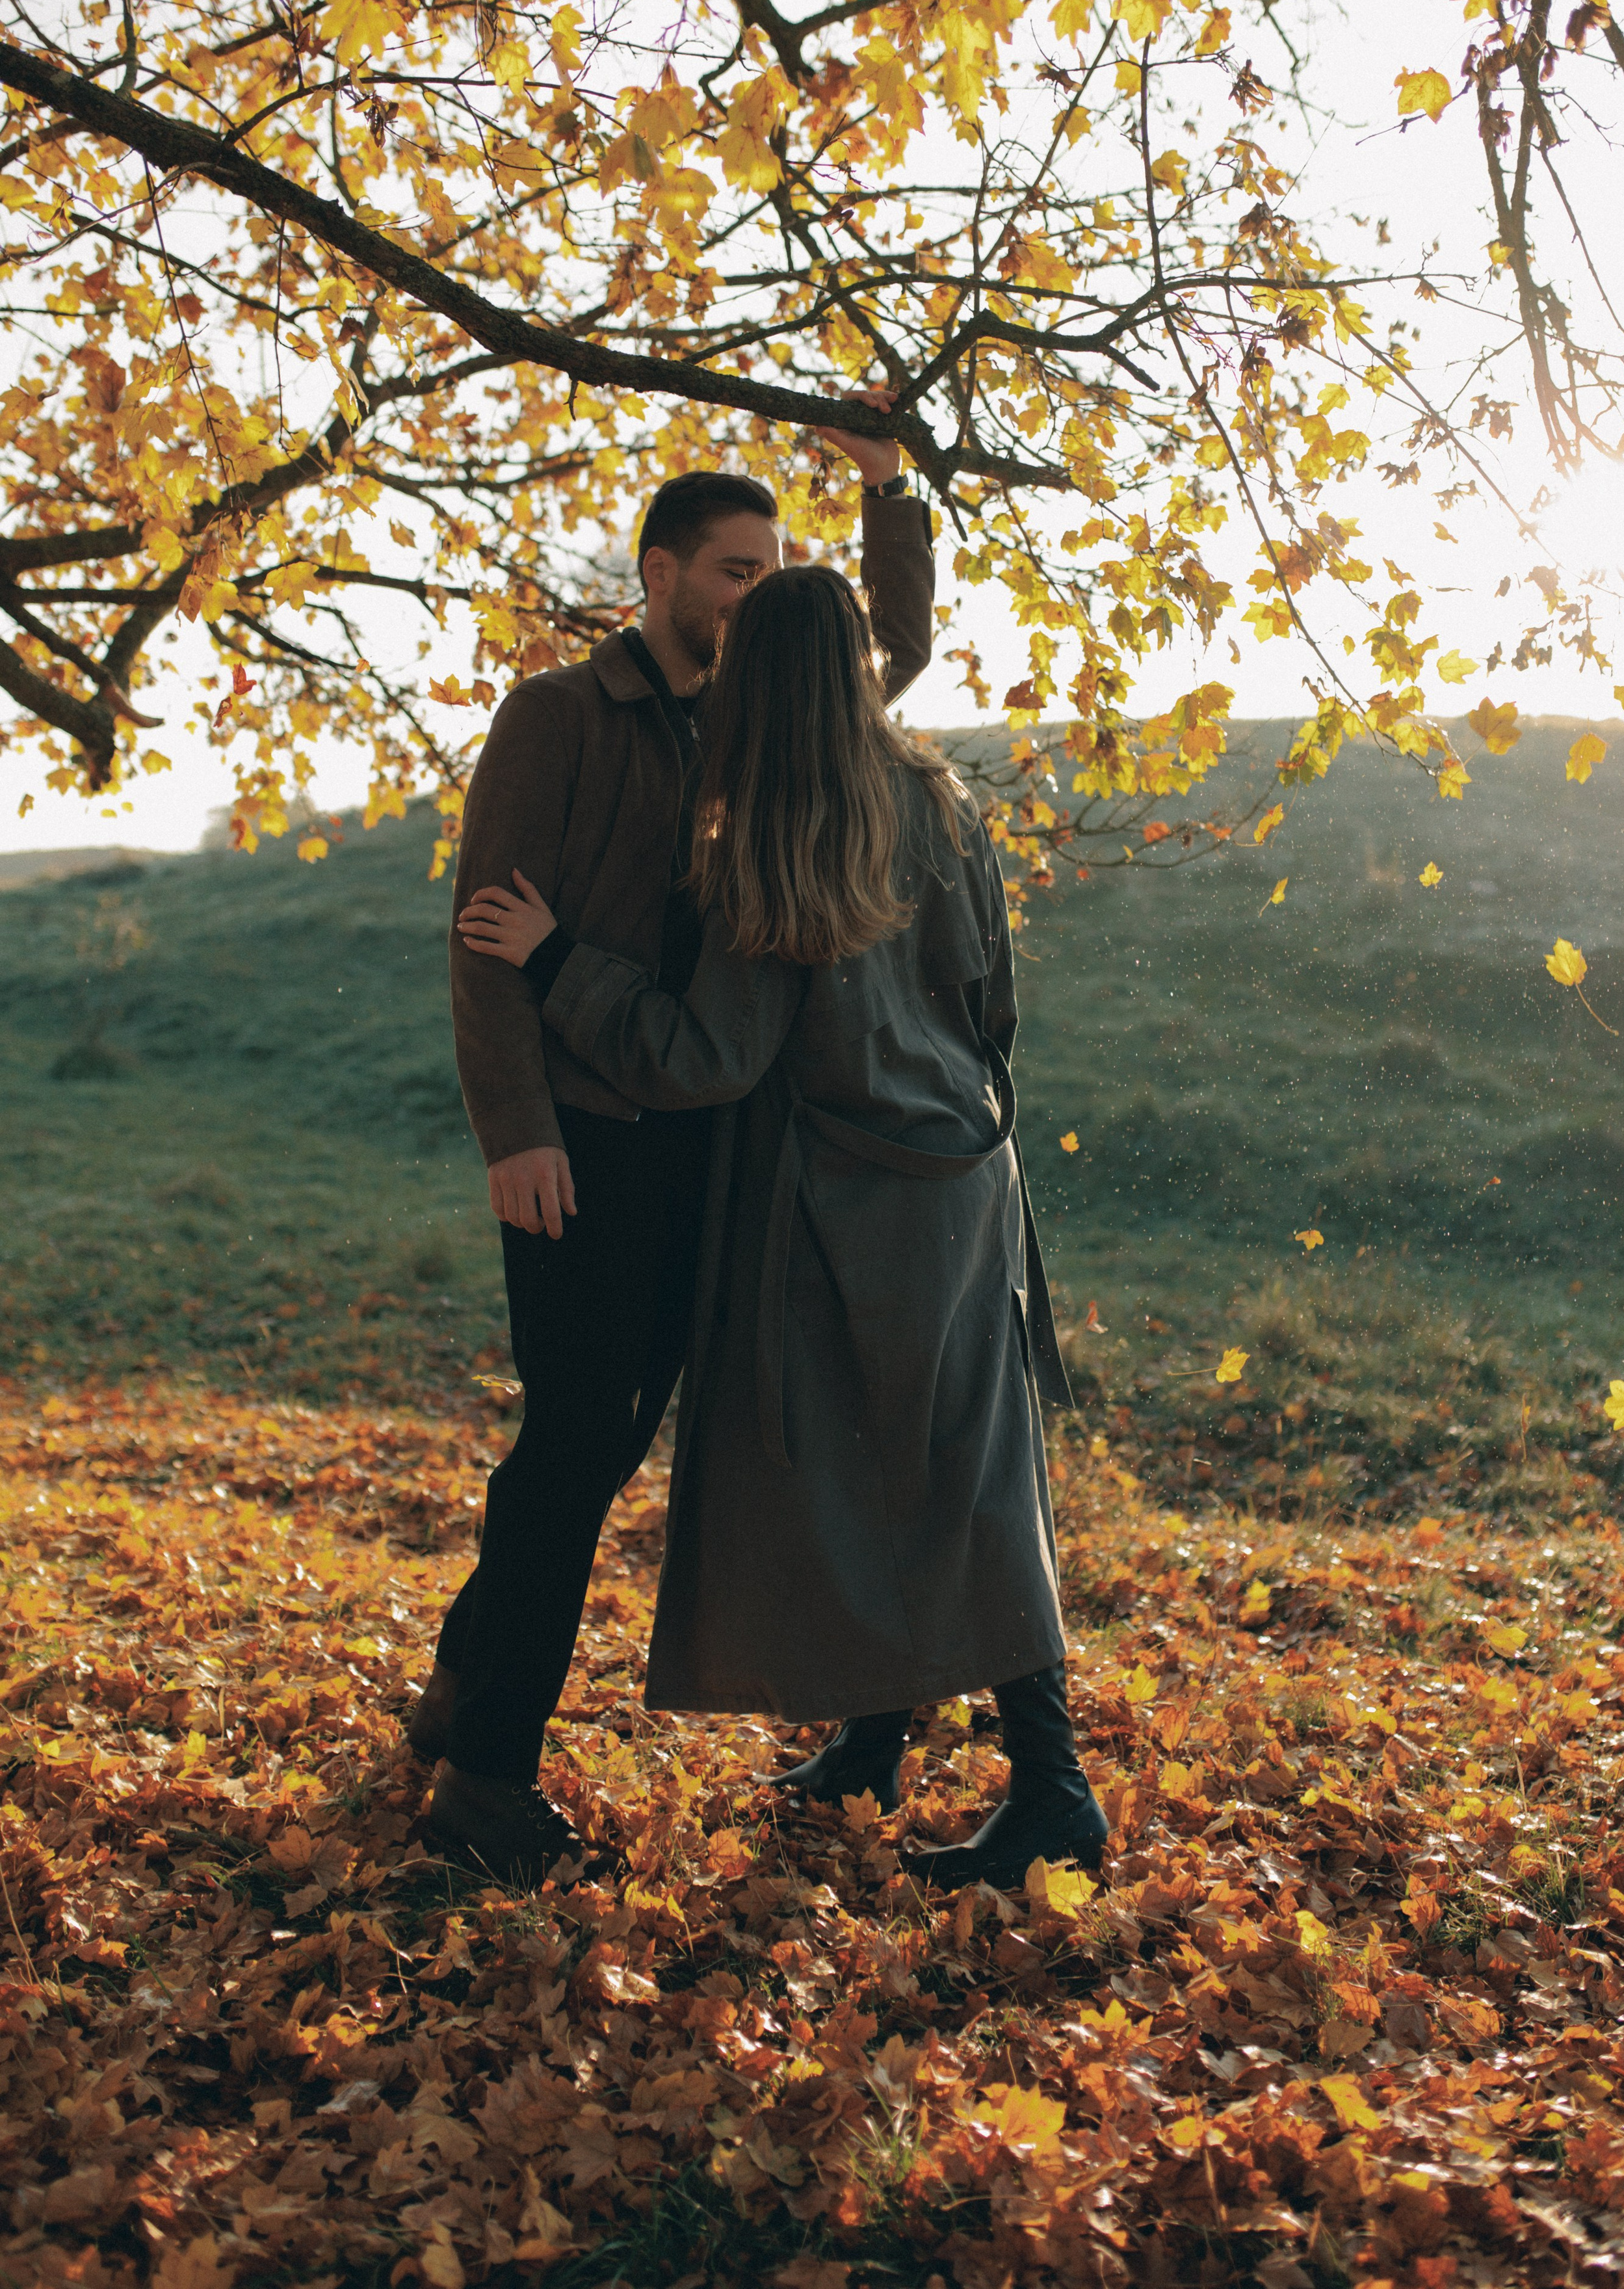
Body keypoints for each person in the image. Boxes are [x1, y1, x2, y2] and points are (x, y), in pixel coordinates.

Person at [458, 566, 1108, 1894]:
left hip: (851, 1197)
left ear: (756, 681)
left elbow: (700, 1055)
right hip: (968, 1175)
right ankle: (874, 1741)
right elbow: (989, 998)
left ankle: (1052, 1788)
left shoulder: (776, 832)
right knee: (931, 1466)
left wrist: (553, 960)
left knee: (929, 1486)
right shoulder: (932, 794)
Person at [411, 420, 934, 1882]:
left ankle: (461, 1683)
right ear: (657, 573)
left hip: (703, 1149)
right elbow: (481, 946)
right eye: (729, 569)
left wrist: (887, 495)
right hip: (576, 1141)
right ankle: (485, 1771)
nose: (754, 593)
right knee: (574, 1440)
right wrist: (513, 1132)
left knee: (598, 1445)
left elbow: (883, 644)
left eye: (771, 570)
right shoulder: (555, 719)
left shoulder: (765, 713)